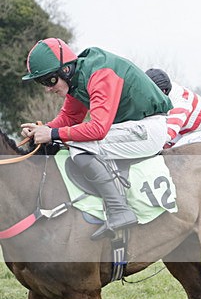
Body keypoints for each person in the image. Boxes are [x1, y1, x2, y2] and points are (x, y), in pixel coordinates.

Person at [21, 38, 171, 240]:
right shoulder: (78, 78)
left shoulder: (99, 74)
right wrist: (44, 129)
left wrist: (53, 134)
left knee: (79, 146)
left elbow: (98, 129)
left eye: (50, 80)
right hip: (128, 128)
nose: (48, 88)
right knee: (69, 141)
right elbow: (70, 118)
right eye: (42, 83)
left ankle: (119, 210)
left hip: (148, 129)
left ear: (65, 70)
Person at [145, 68, 201, 148]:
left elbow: (169, 132)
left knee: (176, 152)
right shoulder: (164, 87)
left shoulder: (180, 103)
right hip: (185, 129)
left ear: (164, 91)